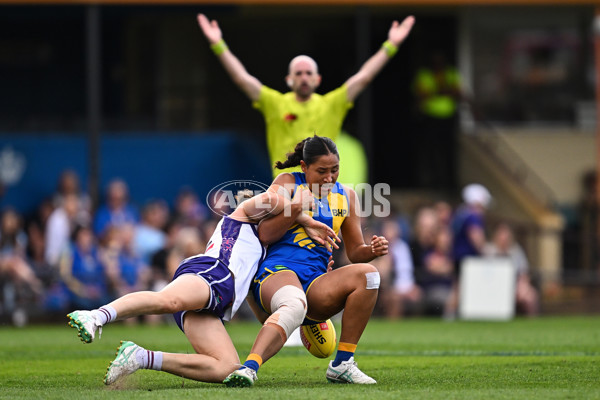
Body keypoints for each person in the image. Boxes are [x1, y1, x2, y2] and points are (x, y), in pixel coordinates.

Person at [66, 189, 338, 386]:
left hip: (217, 301)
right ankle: (96, 316)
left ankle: (139, 357)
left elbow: (263, 314)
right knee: (168, 300)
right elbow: (271, 201)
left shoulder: (264, 251)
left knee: (226, 368)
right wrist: (297, 208)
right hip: (212, 272)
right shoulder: (245, 213)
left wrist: (305, 317)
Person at [224, 136, 388, 387]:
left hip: (315, 281)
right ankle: (249, 367)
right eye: (321, 171)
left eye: (334, 170)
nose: (329, 178)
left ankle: (343, 364)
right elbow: (265, 234)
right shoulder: (287, 183)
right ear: (304, 167)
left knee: (369, 275)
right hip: (276, 272)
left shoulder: (348, 197)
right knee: (293, 301)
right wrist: (296, 210)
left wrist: (372, 250)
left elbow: (355, 252)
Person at [197, 13, 415, 178]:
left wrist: (391, 45)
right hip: (285, 190)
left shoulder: (332, 104)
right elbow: (242, 79)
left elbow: (364, 77)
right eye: (298, 73)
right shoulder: (274, 103)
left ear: (317, 80)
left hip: (321, 189)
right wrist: (218, 44)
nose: (303, 77)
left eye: (308, 73)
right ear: (289, 80)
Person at [412, 50, 462, 190]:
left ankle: (449, 183)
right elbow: (422, 94)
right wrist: (443, 90)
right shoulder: (425, 74)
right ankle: (432, 182)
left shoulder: (451, 73)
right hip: (430, 118)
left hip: (448, 118)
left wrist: (437, 91)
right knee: (431, 151)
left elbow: (457, 92)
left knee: (448, 151)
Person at [444, 183, 492, 319]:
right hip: (467, 258)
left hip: (458, 256)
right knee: (460, 288)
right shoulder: (473, 216)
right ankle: (451, 316)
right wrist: (487, 252)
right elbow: (476, 236)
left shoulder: (460, 213)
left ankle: (450, 315)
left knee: (457, 287)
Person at [484, 222, 539, 316]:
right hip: (493, 287)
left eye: (506, 236)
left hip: (514, 286)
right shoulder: (488, 250)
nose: (504, 239)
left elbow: (523, 273)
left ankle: (532, 324)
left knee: (530, 296)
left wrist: (522, 287)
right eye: (501, 236)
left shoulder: (516, 251)